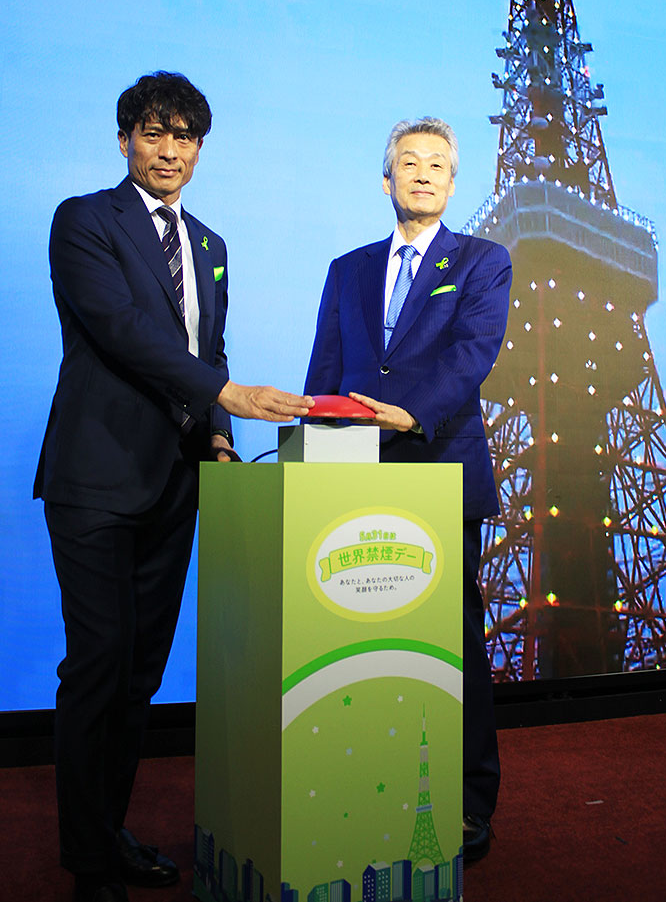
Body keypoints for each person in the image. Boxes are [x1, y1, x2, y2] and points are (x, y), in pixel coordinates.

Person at [34, 71, 314, 902]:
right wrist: (227, 393)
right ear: (124, 139)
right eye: (152, 133)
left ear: (199, 148)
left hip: (177, 483)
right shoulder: (85, 221)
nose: (168, 150)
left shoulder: (212, 245)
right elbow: (120, 331)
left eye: (183, 136)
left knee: (139, 677)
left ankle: (107, 831)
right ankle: (87, 862)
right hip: (95, 477)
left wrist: (220, 434)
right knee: (98, 665)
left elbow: (207, 351)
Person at [304, 116, 512, 862]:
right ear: (385, 178)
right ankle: (366, 783)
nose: (422, 174)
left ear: (453, 183)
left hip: (441, 466)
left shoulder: (483, 260)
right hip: (351, 475)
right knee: (355, 639)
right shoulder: (348, 269)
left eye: (436, 165)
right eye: (408, 162)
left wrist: (411, 413)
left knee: (454, 639)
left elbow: (473, 354)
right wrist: (309, 453)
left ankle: (468, 800)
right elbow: (325, 371)